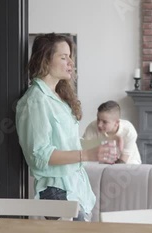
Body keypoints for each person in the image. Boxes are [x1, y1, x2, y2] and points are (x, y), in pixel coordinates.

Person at [15, 33, 118, 222]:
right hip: (57, 192)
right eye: (63, 57)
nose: (70, 62)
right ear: (45, 60)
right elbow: (39, 155)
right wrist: (89, 155)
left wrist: (101, 145)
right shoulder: (36, 100)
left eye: (70, 57)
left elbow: (67, 143)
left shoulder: (58, 98)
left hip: (76, 189)